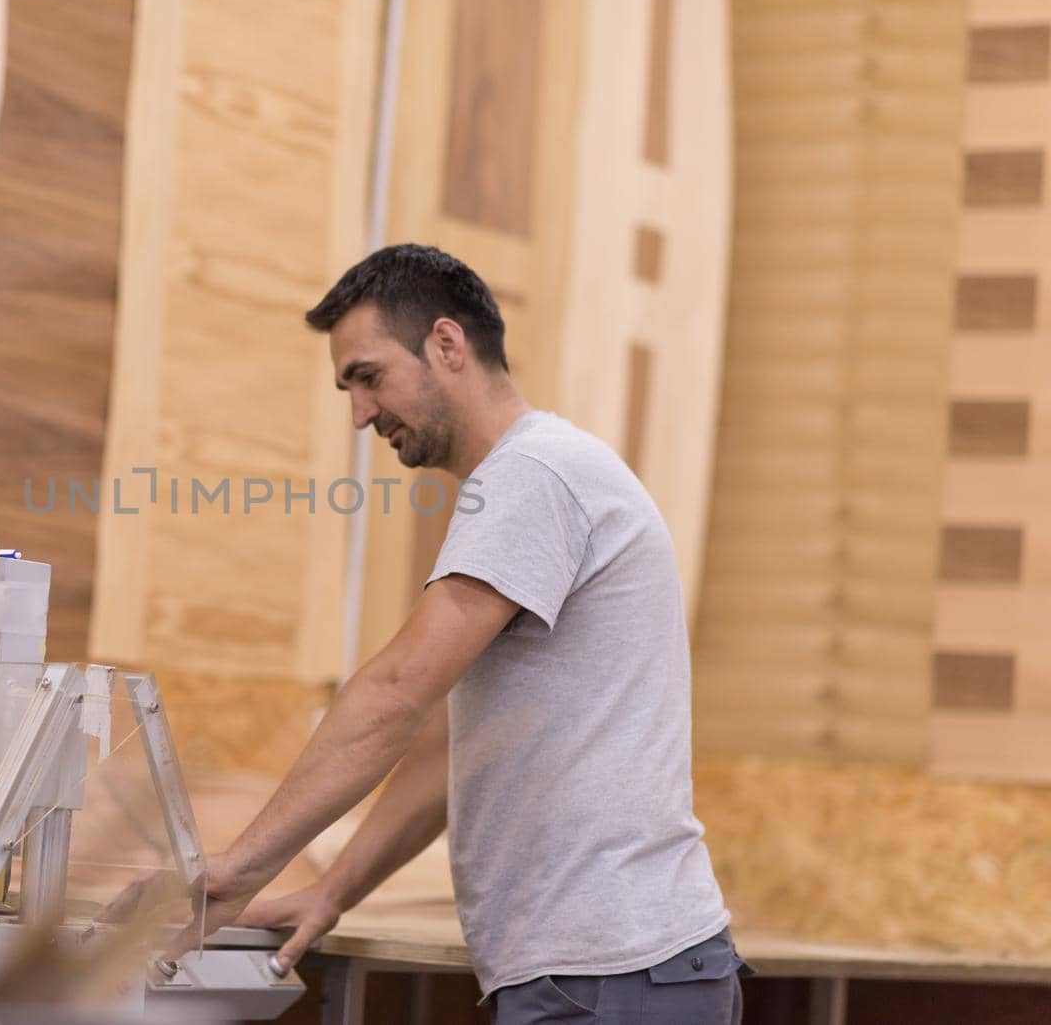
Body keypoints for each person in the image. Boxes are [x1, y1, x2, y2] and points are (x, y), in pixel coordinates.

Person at [157, 244, 748, 1023]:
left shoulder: (534, 476)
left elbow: (396, 691)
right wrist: (332, 892)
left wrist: (234, 874)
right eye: (348, 389)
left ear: (446, 344)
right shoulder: (532, 481)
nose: (361, 414)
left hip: (614, 975)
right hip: (607, 972)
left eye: (368, 377)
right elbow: (454, 746)